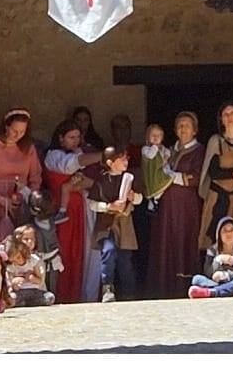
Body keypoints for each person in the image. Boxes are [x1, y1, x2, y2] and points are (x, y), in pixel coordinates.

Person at [145, 111, 206, 299]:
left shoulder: (199, 151)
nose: (183, 129)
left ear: (195, 130)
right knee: (165, 241)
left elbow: (198, 177)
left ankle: (184, 286)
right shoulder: (167, 151)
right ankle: (163, 286)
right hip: (166, 207)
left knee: (183, 239)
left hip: (186, 207)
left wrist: (172, 177)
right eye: (179, 125)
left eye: (187, 125)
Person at [42, 119, 101, 304]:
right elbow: (71, 165)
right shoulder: (53, 156)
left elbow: (90, 180)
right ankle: (64, 295)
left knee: (81, 256)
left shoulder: (79, 152)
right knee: (65, 254)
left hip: (81, 212)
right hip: (63, 214)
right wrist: (104, 155)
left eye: (77, 137)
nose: (75, 141)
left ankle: (81, 296)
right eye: (71, 137)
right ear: (61, 138)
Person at [0, 109, 43, 246]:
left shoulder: (28, 148)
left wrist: (29, 198)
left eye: (22, 132)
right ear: (6, 126)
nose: (18, 135)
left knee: (18, 247)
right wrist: (0, 200)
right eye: (14, 130)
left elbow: (35, 177)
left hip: (19, 206)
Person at [88, 146, 143, 302]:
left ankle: (129, 292)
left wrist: (133, 197)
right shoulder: (101, 180)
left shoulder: (130, 178)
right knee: (108, 251)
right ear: (110, 162)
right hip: (106, 224)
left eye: (127, 158)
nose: (126, 161)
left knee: (125, 259)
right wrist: (108, 207)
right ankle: (107, 288)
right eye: (122, 159)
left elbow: (140, 199)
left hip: (124, 223)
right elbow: (92, 204)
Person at [197, 102, 233, 251]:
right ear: (221, 119)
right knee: (214, 239)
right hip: (219, 197)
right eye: (225, 114)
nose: (229, 117)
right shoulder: (216, 141)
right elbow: (213, 172)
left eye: (232, 113)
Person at [188, 216, 233, 298]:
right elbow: (207, 272)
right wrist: (218, 260)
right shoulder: (212, 250)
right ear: (219, 234)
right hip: (219, 282)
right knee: (197, 279)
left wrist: (227, 275)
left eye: (232, 230)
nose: (228, 233)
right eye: (224, 231)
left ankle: (214, 292)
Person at [3, 226, 56, 306]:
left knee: (49, 297)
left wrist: (31, 277)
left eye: (33, 239)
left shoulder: (35, 260)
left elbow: (41, 281)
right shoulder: (11, 264)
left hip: (36, 290)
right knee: (11, 298)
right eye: (26, 239)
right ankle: (22, 302)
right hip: (20, 292)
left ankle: (28, 302)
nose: (30, 242)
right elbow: (9, 283)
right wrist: (13, 283)